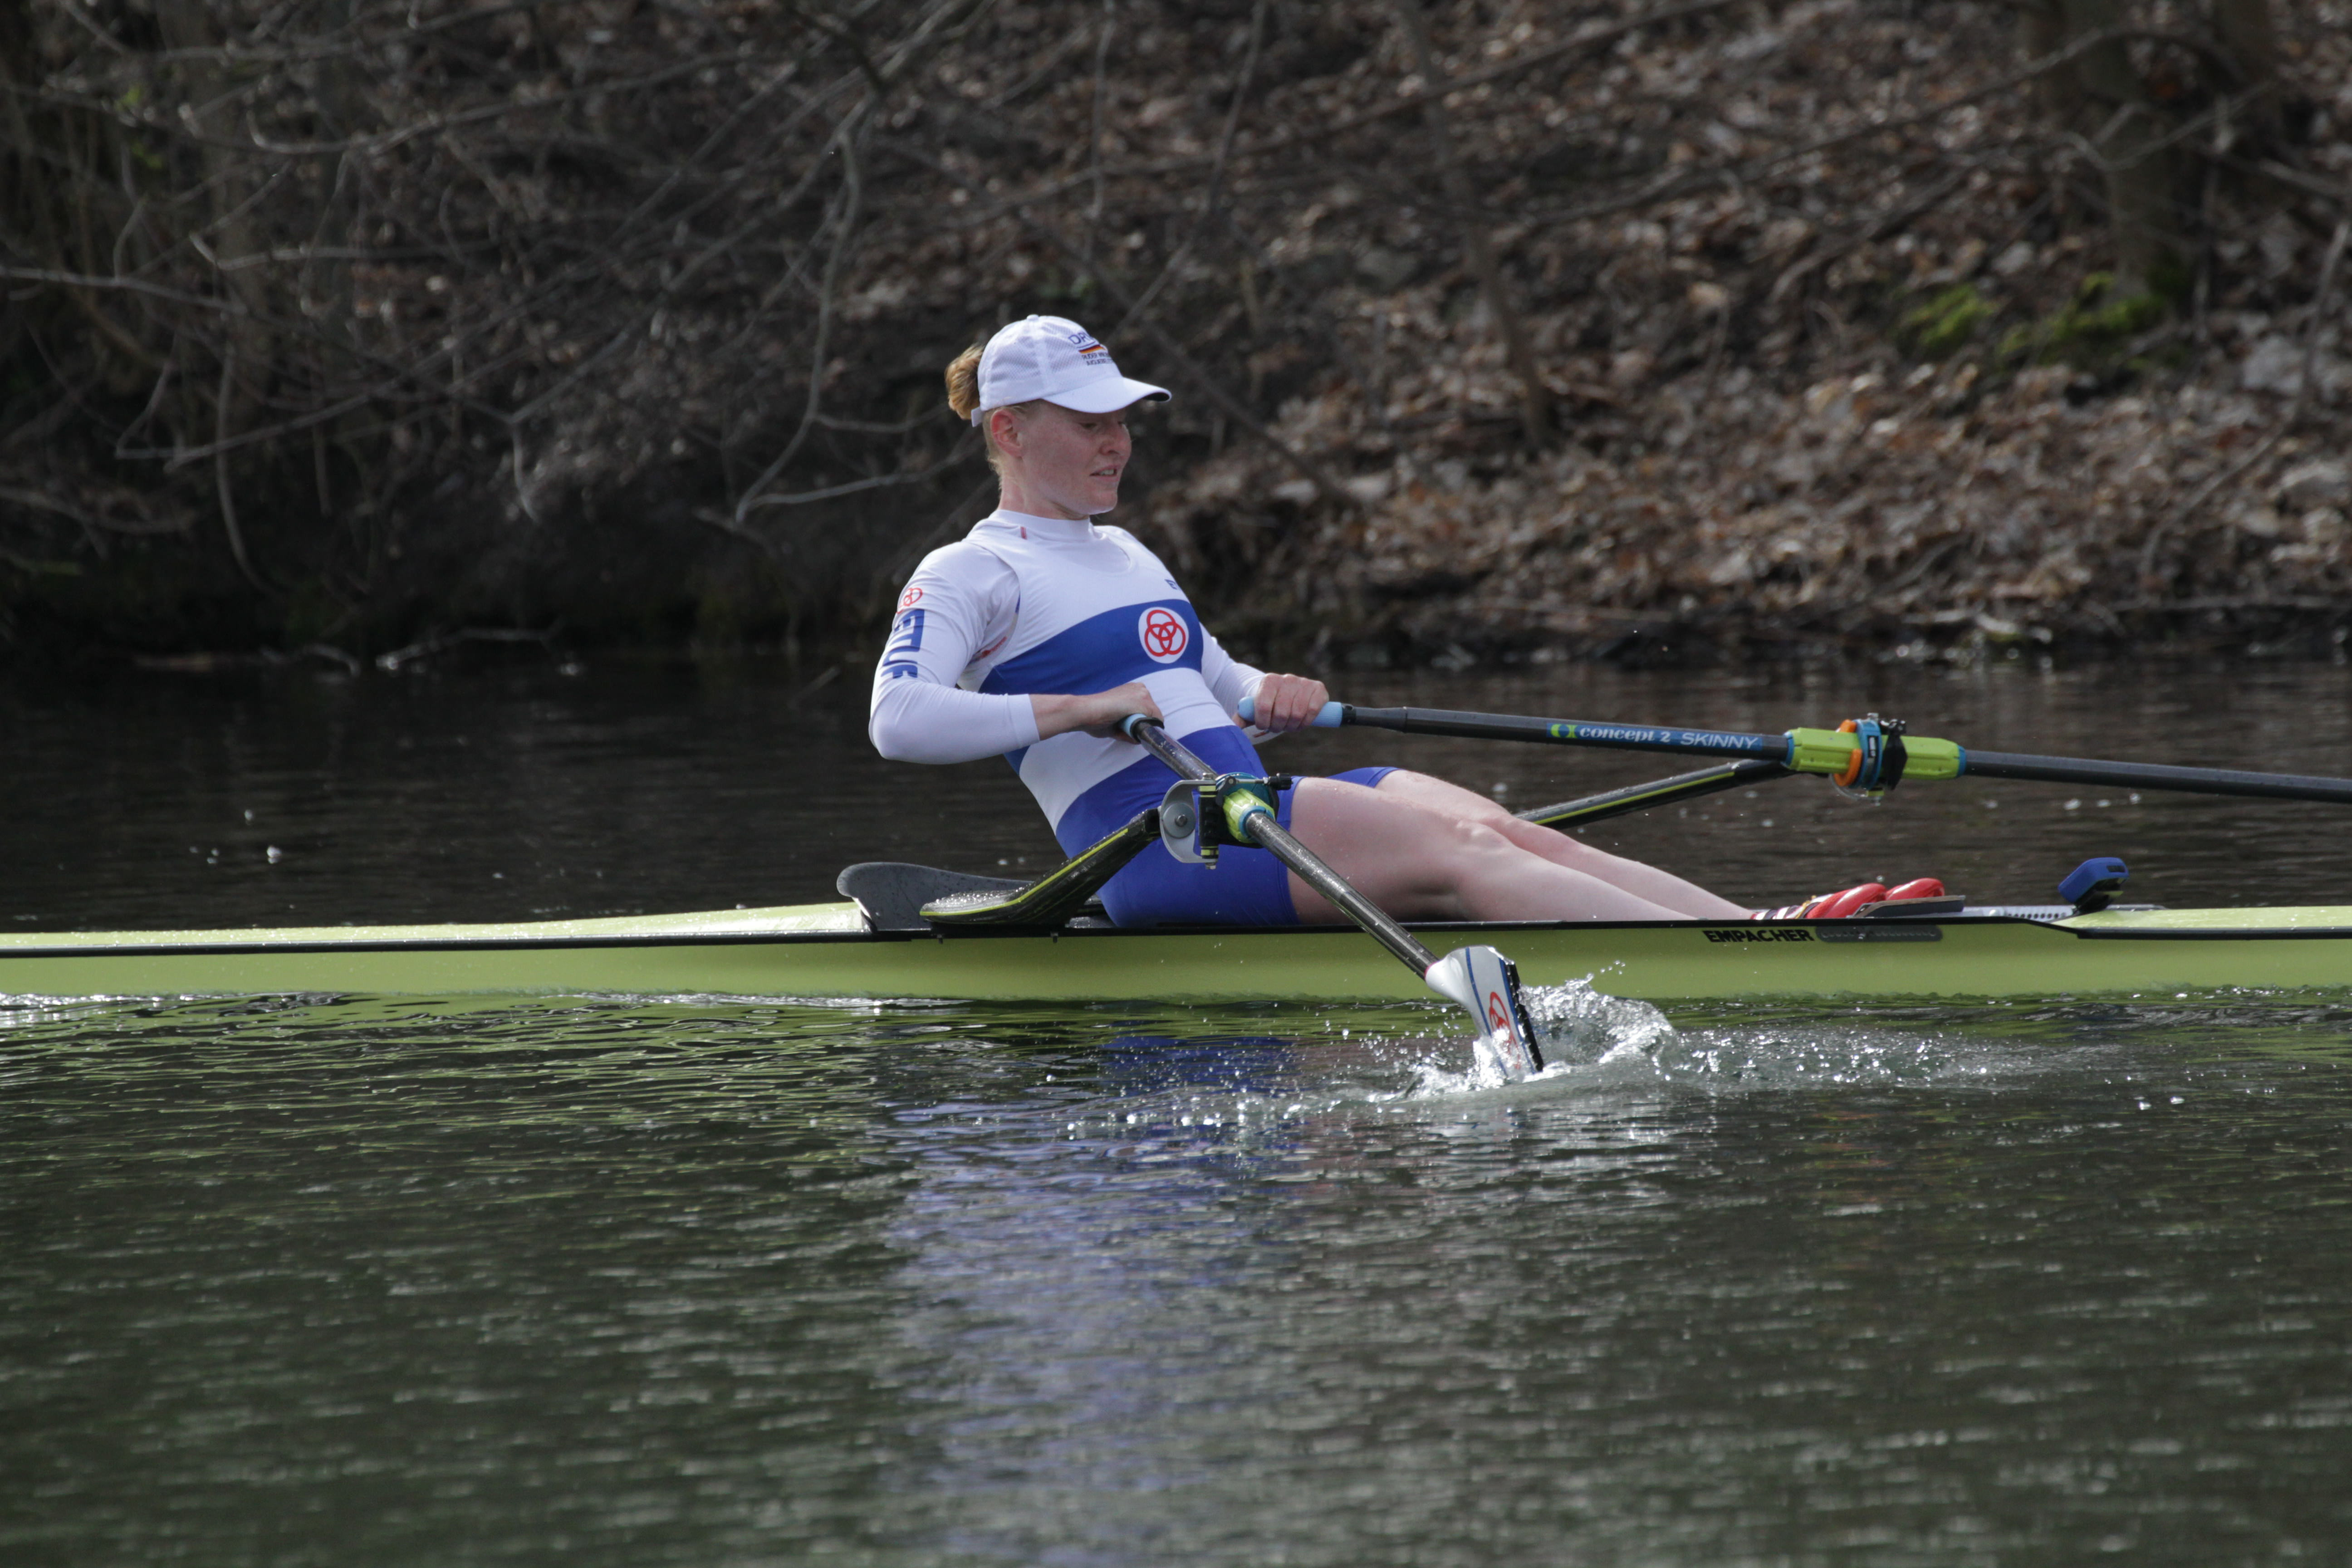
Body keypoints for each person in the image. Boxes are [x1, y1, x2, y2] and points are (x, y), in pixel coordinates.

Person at [867, 314, 1763, 927]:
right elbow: (897, 721)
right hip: (1167, 847)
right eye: (1089, 420)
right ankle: (1733, 966)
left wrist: (1270, 694)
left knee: (1503, 829)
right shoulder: (970, 571)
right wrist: (1082, 707)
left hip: (1245, 810)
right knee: (1459, 849)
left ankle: (1760, 927)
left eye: (1124, 420)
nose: (1118, 442)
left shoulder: (1127, 553)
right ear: (1012, 431)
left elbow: (1216, 688)